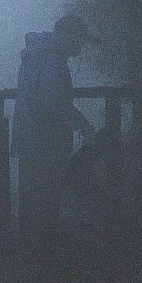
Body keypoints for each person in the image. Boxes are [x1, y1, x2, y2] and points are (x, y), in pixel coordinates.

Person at [12, 14, 97, 242]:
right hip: (46, 141)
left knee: (31, 203)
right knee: (46, 203)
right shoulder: (53, 60)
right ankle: (44, 258)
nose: (82, 47)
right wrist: (82, 124)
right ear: (71, 38)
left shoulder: (36, 55)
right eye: (81, 41)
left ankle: (30, 257)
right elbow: (55, 101)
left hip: (28, 137)